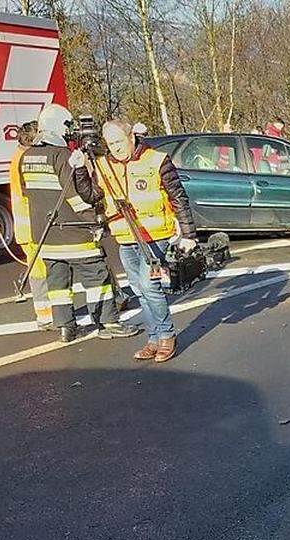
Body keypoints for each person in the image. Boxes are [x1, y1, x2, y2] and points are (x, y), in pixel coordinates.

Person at [77, 120, 198, 363]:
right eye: (110, 143)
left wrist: (189, 235)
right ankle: (153, 338)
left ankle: (167, 336)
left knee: (150, 284)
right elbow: (92, 196)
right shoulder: (103, 165)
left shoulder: (156, 160)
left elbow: (178, 197)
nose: (115, 148)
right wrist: (80, 170)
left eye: (119, 142)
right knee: (139, 288)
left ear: (131, 136)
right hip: (126, 237)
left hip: (155, 236)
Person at [18, 104, 139, 343]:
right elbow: (77, 195)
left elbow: (28, 193)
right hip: (73, 233)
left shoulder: (27, 157)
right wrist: (94, 223)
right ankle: (107, 322)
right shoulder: (61, 156)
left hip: (46, 236)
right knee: (97, 276)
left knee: (58, 284)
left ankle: (66, 327)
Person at [8, 120, 53, 330]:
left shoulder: (18, 156)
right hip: (33, 224)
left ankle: (45, 313)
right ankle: (45, 315)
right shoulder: (25, 159)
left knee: (39, 269)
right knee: (41, 271)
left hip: (28, 225)